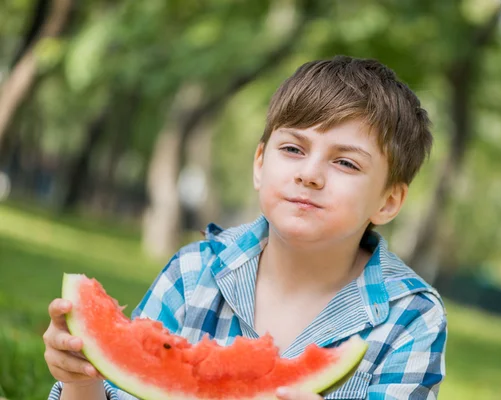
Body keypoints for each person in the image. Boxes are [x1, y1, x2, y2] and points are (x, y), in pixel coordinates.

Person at [44, 55, 447, 400]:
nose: (309, 174)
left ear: (388, 201)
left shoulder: (411, 318)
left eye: (346, 163)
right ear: (260, 164)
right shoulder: (192, 274)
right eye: (293, 149)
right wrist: (82, 378)